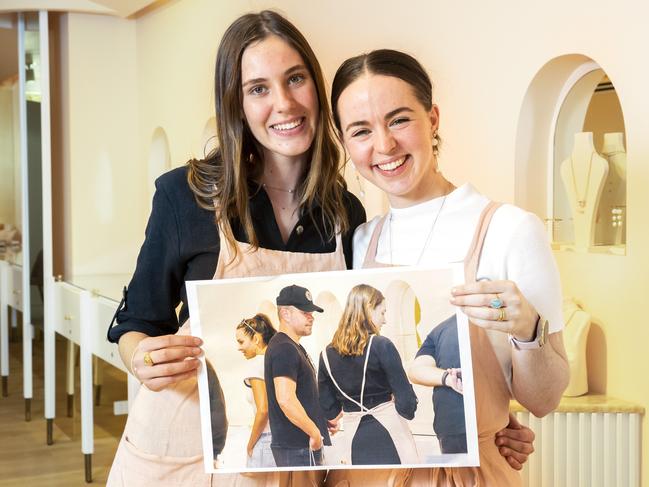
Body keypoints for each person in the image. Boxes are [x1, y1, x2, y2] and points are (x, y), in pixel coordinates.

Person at [105, 10, 365, 487]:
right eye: (258, 89)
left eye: (295, 79)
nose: (284, 104)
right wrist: (141, 358)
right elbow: (138, 322)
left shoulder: (344, 213)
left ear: (316, 86)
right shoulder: (185, 197)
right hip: (184, 446)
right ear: (236, 105)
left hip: (290, 457)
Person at [325, 49, 569, 486]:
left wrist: (528, 328)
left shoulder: (510, 229)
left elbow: (545, 399)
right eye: (361, 130)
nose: (384, 145)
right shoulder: (360, 240)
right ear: (345, 143)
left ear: (433, 119)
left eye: (399, 119)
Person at [318, 284, 418, 466]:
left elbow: (329, 408)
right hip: (389, 434)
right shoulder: (381, 345)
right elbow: (407, 403)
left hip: (353, 438)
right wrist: (402, 404)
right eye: (382, 313)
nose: (385, 320)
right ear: (369, 310)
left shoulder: (325, 354)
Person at [265, 285, 331, 467]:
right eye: (305, 312)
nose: (312, 317)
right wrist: (314, 433)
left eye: (312, 313)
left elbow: (301, 395)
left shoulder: (291, 346)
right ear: (285, 314)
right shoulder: (284, 348)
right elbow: (286, 400)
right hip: (297, 447)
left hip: (300, 446)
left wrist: (320, 420)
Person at [409, 315, 467, 454]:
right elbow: (415, 370)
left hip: (480, 426)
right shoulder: (441, 330)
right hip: (453, 429)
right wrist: (449, 378)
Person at [236, 314, 277, 468]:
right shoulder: (275, 360)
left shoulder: (255, 365)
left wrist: (251, 444)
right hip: (283, 439)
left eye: (241, 342)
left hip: (265, 440)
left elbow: (263, 410)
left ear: (256, 339)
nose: (239, 347)